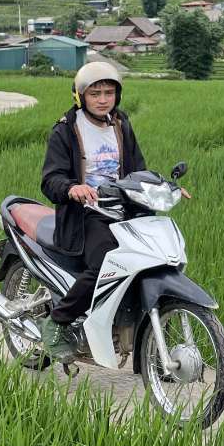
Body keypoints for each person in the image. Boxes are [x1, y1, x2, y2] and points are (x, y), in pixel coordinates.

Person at [39, 61, 145, 364]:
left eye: (108, 92)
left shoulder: (121, 124)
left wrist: (161, 185)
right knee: (107, 263)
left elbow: (138, 167)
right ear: (80, 96)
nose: (102, 99)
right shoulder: (65, 130)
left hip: (123, 209)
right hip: (84, 214)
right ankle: (57, 322)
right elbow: (51, 179)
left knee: (155, 255)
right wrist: (72, 188)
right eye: (95, 93)